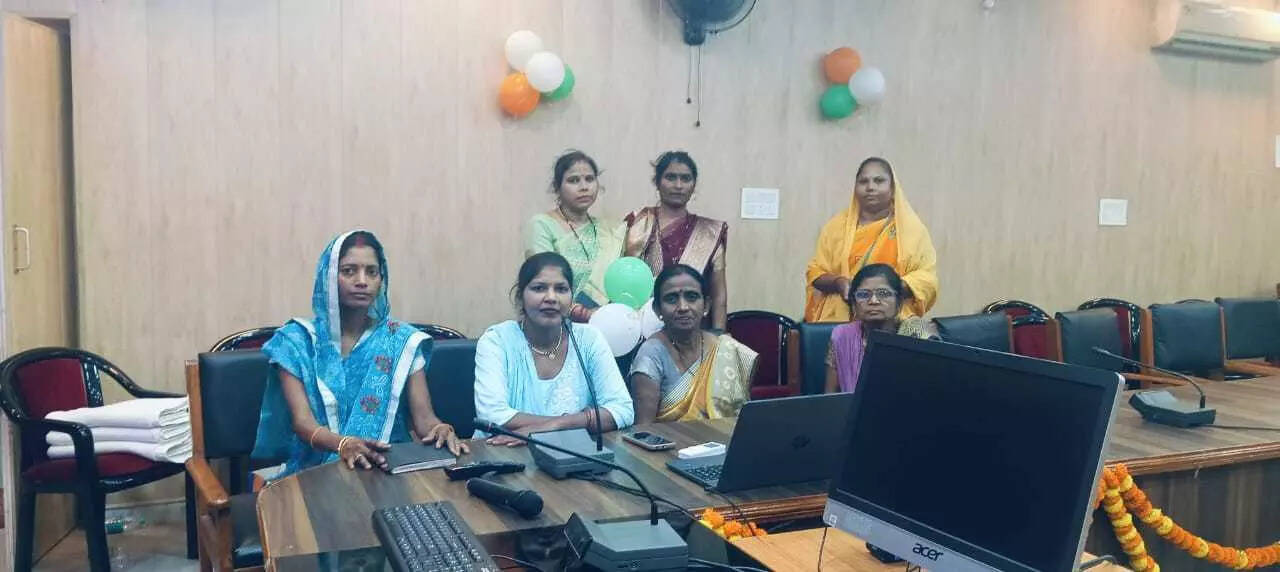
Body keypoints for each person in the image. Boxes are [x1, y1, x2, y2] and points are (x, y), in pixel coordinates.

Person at [252, 230, 467, 479]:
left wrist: (440, 428)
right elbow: (302, 423)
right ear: (329, 277)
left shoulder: (402, 340)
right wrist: (343, 444)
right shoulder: (297, 341)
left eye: (371, 272)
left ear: (381, 280)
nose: (362, 280)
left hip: (387, 467)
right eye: (349, 271)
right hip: (319, 468)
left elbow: (423, 419)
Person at [474, 252, 635, 446]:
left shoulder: (589, 339)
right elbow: (493, 416)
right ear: (520, 296)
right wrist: (575, 423)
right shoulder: (497, 340)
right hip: (503, 454)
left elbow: (622, 410)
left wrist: (556, 425)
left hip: (573, 452)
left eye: (561, 289)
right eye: (539, 288)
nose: (551, 297)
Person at [805, 157, 938, 323]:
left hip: (893, 323)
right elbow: (815, 272)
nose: (870, 187)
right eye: (863, 181)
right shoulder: (835, 228)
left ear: (892, 187)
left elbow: (927, 279)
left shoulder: (911, 230)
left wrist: (885, 290)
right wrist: (839, 283)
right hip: (839, 321)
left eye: (879, 181)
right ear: (855, 188)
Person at [629, 264, 758, 424]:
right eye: (671, 298)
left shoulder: (727, 350)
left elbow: (742, 420)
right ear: (657, 309)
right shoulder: (650, 355)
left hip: (727, 445)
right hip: (671, 446)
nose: (683, 307)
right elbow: (644, 430)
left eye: (692, 297)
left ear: (706, 305)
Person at [623, 151, 728, 330]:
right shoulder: (638, 222)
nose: (678, 185)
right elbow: (624, 281)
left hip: (691, 328)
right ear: (657, 182)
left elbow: (718, 293)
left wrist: (719, 334)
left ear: (694, 185)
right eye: (670, 177)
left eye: (686, 179)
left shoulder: (710, 231)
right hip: (640, 327)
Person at [524, 150, 623, 322]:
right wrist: (581, 312)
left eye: (589, 179)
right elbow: (542, 280)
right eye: (573, 180)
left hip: (606, 325)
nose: (584, 187)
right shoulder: (542, 225)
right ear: (557, 187)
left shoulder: (608, 231)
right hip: (554, 323)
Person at [825, 263, 935, 394]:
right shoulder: (842, 336)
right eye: (864, 295)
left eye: (883, 293)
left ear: (899, 303)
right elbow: (830, 398)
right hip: (853, 413)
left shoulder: (914, 332)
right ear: (854, 305)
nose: (874, 301)